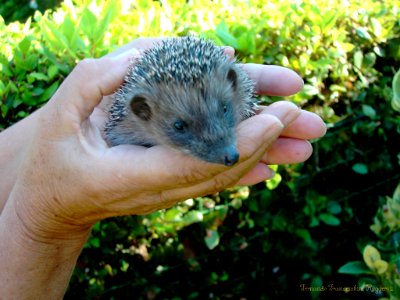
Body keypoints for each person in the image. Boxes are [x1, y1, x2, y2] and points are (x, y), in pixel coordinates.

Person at [0, 37, 326, 298]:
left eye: (225, 111)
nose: (228, 151)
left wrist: (45, 135)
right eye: (182, 127)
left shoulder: (227, 91)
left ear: (232, 85)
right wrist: (46, 218)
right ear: (142, 112)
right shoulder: (127, 124)